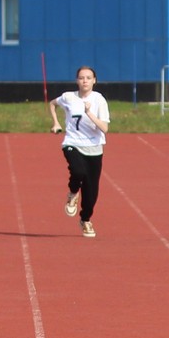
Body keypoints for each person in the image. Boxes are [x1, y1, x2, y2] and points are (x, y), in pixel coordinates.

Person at [50, 65, 110, 238]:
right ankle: (73, 192)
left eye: (88, 78)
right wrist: (56, 123)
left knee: (91, 193)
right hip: (72, 143)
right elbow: (52, 104)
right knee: (78, 171)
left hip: (94, 148)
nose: (85, 81)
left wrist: (89, 113)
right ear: (77, 80)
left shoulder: (99, 100)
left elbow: (104, 128)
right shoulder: (69, 97)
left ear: (94, 81)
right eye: (82, 77)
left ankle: (85, 219)